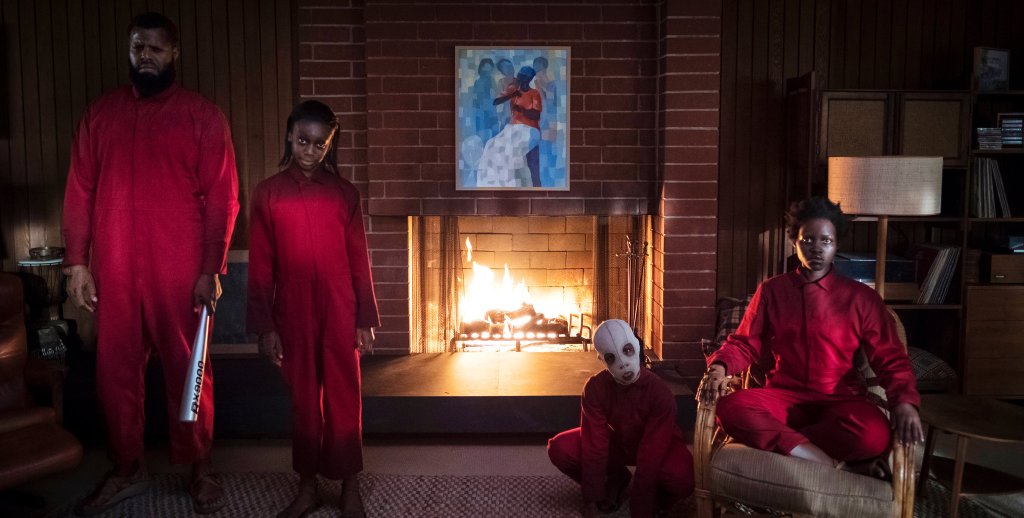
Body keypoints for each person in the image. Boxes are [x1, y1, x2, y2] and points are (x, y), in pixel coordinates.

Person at [62, 12, 238, 516]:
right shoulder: (100, 116)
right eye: (138, 47)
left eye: (155, 48)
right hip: (114, 265)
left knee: (190, 369)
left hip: (180, 269)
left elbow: (224, 198)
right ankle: (126, 466)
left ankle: (198, 465)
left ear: (173, 54)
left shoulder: (202, 117)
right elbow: (80, 191)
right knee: (114, 372)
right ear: (129, 50)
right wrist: (77, 262)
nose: (145, 56)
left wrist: (212, 268)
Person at [701, 197, 924, 475]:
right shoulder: (772, 291)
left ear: (837, 244)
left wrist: (905, 403)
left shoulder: (862, 299)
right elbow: (744, 344)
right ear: (794, 241)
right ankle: (826, 462)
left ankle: (790, 444)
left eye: (826, 241)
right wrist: (718, 368)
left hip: (840, 401)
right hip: (783, 398)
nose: (816, 249)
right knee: (731, 408)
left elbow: (890, 358)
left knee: (873, 434)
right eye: (807, 240)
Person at [247, 100, 380, 518]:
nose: (309, 150)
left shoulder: (345, 194)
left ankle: (350, 485)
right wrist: (265, 326)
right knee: (304, 398)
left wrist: (365, 318)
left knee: (345, 395)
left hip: (340, 304)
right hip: (293, 307)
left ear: (330, 145)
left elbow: (360, 258)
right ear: (290, 136)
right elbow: (261, 265)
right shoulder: (268, 193)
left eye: (319, 144)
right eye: (303, 140)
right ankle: (306, 486)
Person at [548, 319, 694, 518]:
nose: (623, 364)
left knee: (683, 478)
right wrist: (591, 499)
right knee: (559, 448)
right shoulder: (595, 388)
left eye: (627, 351)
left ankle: (659, 496)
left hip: (660, 445)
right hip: (617, 442)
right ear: (602, 360)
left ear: (636, 346)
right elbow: (594, 442)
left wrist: (641, 505)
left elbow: (653, 451)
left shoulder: (660, 393)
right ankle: (615, 479)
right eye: (611, 358)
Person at [476, 66, 542, 188]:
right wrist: (511, 94)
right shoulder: (513, 89)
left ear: (529, 79)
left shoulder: (534, 93)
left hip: (530, 129)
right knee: (491, 144)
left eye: (524, 77)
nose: (521, 80)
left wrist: (521, 110)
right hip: (512, 128)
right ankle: (494, 184)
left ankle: (513, 183)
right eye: (520, 76)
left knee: (510, 150)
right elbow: (496, 101)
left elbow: (536, 115)